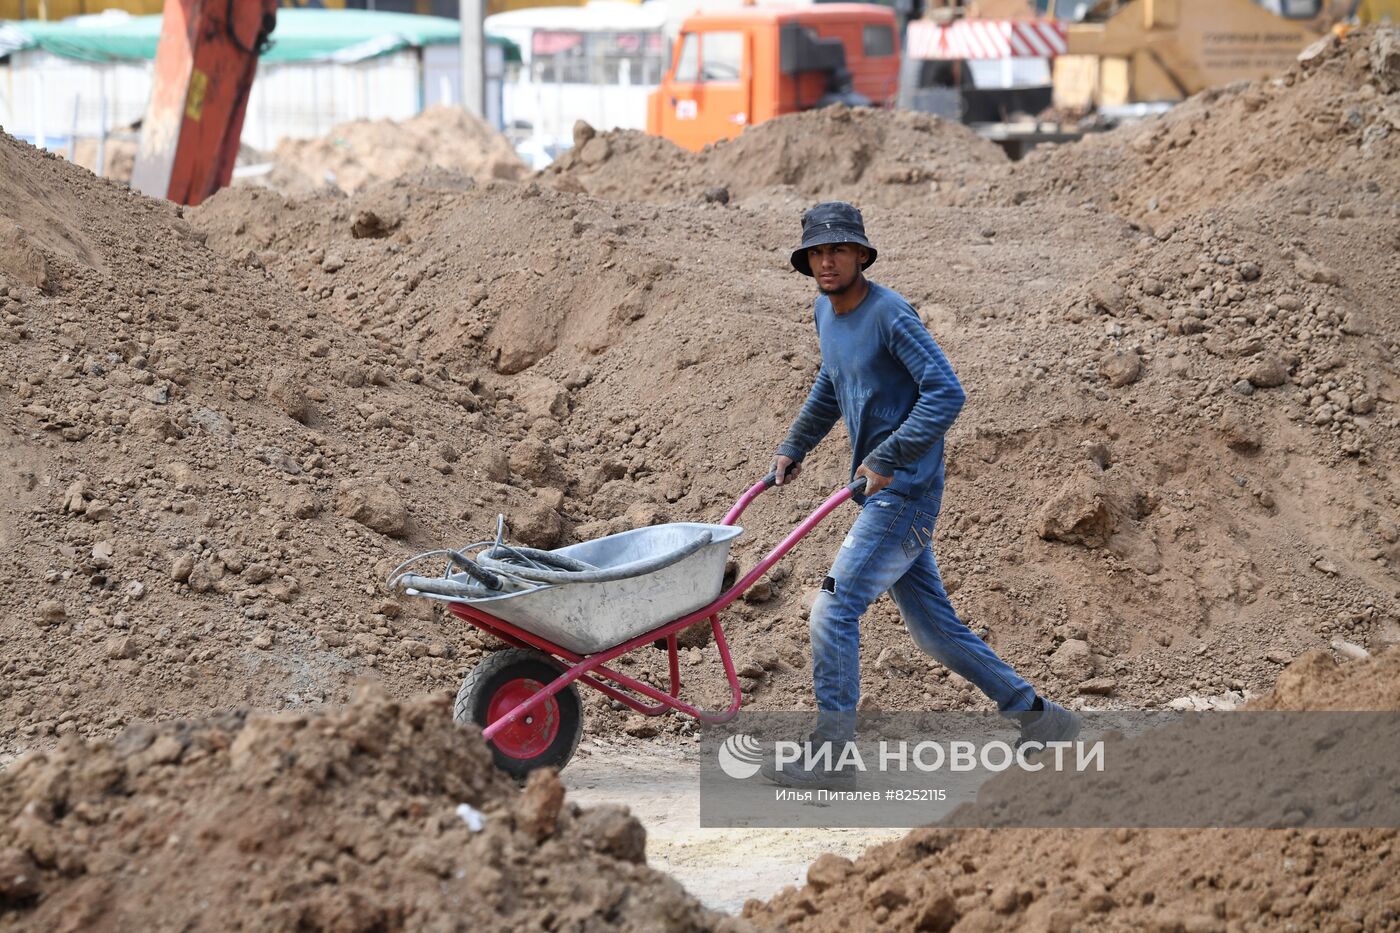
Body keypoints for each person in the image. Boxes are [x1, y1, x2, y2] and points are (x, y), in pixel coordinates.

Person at [763, 201, 1079, 789]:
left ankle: (831, 757)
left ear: (861, 254)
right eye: (817, 252)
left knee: (833, 610)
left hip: (903, 491)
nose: (826, 261)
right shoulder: (825, 314)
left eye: (838, 249)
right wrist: (795, 445)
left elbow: (946, 392)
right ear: (806, 261)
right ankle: (1041, 719)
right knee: (934, 631)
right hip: (880, 492)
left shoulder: (890, 316)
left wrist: (889, 454)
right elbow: (833, 383)